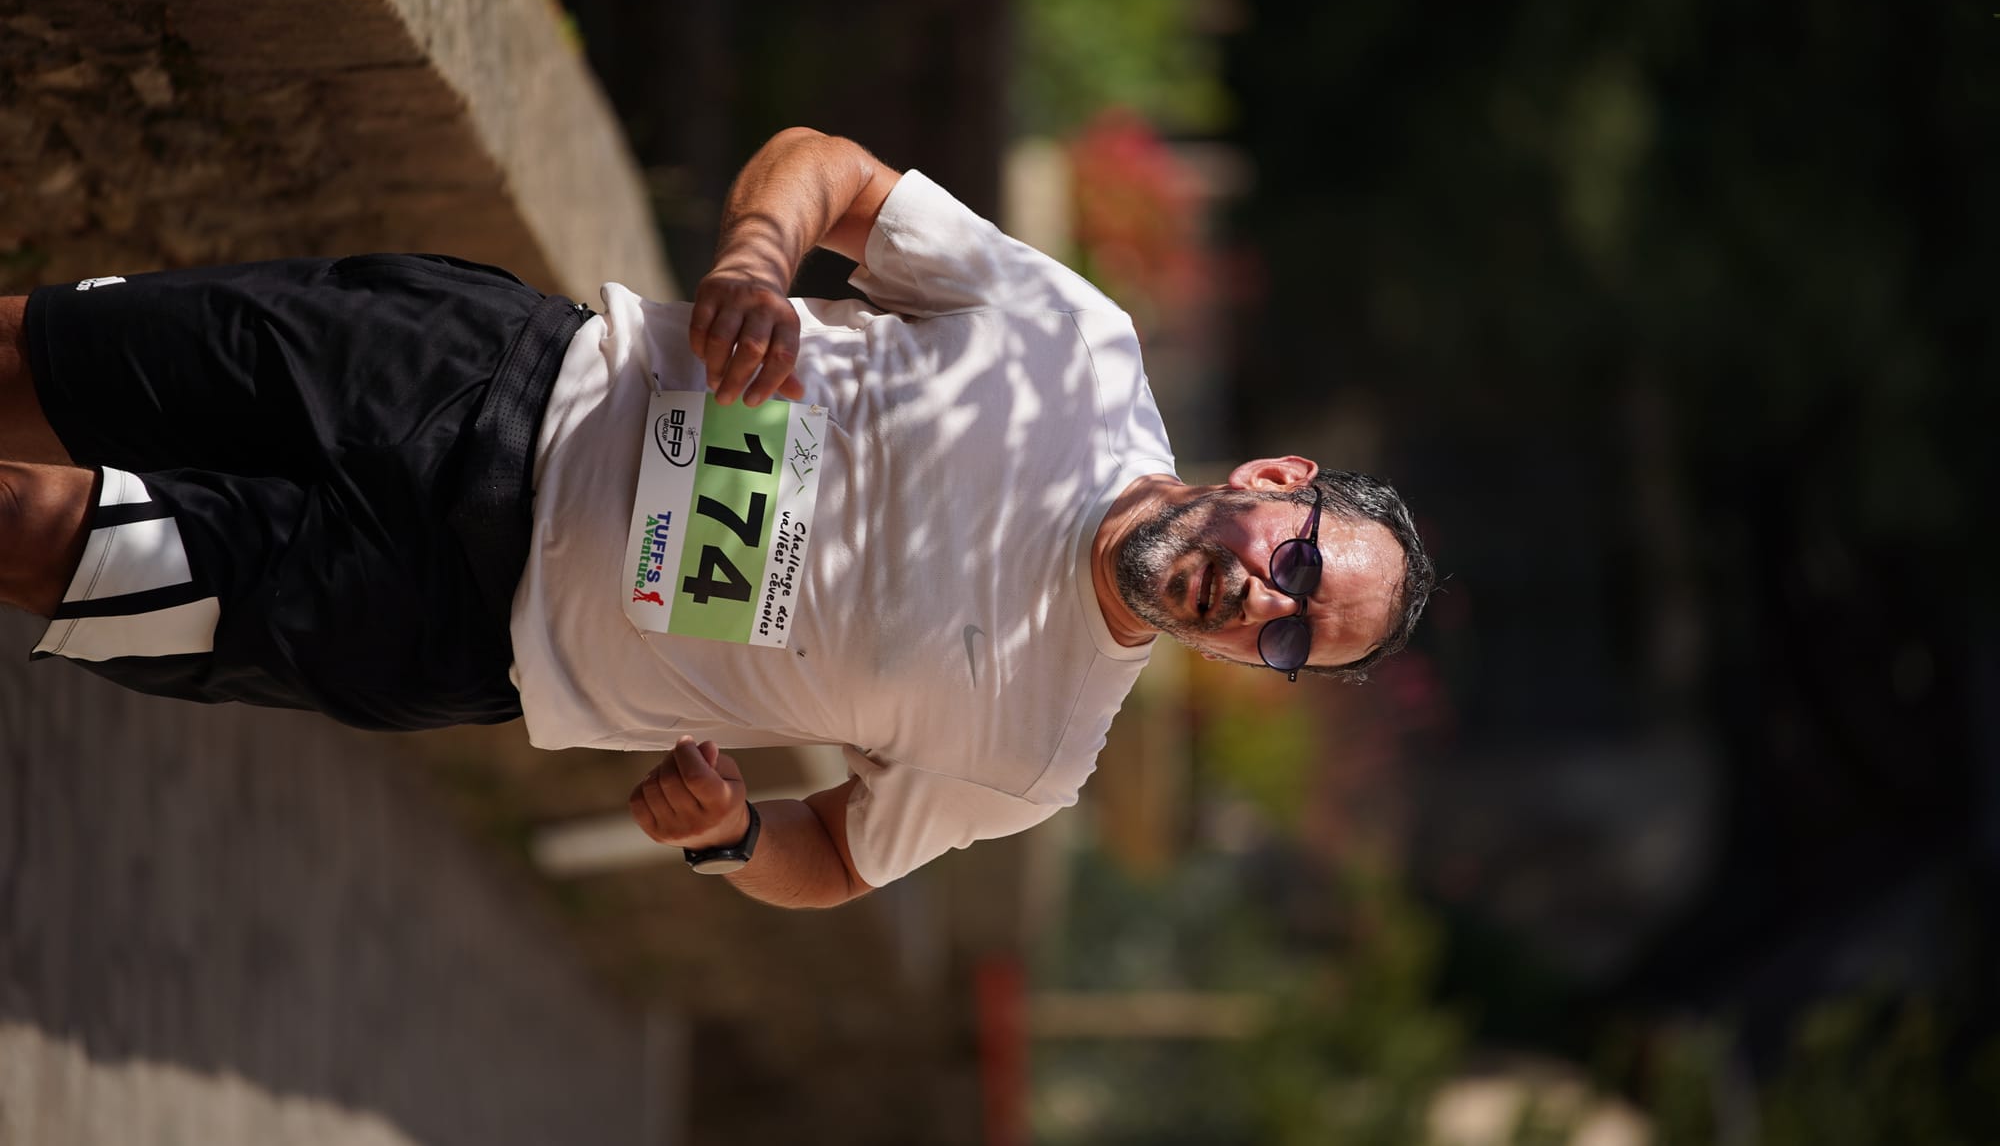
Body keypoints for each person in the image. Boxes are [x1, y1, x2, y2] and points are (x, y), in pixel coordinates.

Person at [0, 128, 1432, 908]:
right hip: (480, 368)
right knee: (32, 363)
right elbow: (831, 170)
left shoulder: (1036, 758)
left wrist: (730, 833)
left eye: (1297, 639)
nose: (1266, 601)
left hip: (447, 631)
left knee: (37, 534)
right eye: (1299, 563)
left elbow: (838, 856)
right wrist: (755, 259)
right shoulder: (1077, 344)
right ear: (1271, 482)